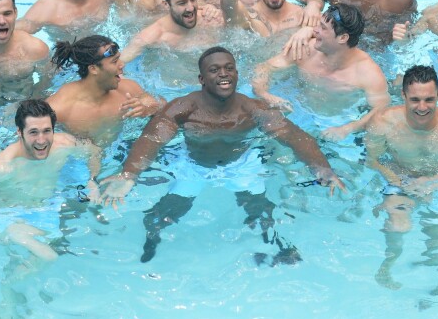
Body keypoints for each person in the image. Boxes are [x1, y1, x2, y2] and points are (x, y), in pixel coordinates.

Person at [98, 47, 346, 263]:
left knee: (261, 213)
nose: (224, 74)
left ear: (237, 74)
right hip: (194, 165)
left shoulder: (252, 109)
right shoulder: (182, 108)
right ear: (202, 78)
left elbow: (294, 136)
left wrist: (321, 168)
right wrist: (129, 174)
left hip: (240, 163)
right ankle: (151, 246)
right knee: (162, 216)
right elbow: (152, 139)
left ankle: (272, 246)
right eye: (215, 70)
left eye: (229, 68)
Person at [365, 65, 438, 293]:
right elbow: (373, 160)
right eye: (415, 99)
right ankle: (387, 266)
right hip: (400, 178)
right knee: (398, 225)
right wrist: (400, 181)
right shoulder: (384, 123)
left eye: (429, 99)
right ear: (403, 96)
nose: (422, 107)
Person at [0, 99, 101, 262]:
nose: (41, 140)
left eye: (46, 131)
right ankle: (15, 234)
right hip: (8, 215)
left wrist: (91, 180)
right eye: (33, 132)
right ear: (19, 132)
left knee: (34, 265)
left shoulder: (64, 144)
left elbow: (93, 150)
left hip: (46, 208)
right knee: (48, 256)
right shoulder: (0, 167)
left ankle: (10, 287)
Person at [252, 4, 389, 136]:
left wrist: (347, 129)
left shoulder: (368, 73)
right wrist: (264, 94)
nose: (314, 30)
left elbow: (381, 110)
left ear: (342, 38)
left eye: (322, 27)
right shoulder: (306, 50)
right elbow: (264, 67)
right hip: (299, 115)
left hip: (339, 121)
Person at [47, 35, 164, 144]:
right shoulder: (59, 108)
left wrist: (147, 108)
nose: (122, 64)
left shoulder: (127, 89)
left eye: (119, 58)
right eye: (115, 61)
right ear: (93, 69)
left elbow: (164, 106)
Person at [120, 0, 224, 63]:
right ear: (166, 4)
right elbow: (118, 65)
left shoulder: (209, 19)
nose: (191, 8)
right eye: (182, 3)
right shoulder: (150, 38)